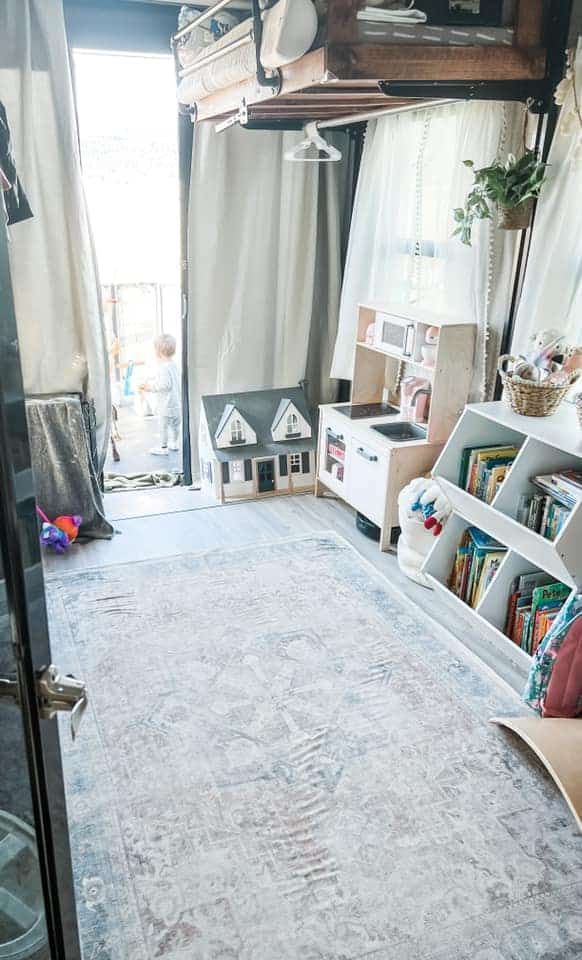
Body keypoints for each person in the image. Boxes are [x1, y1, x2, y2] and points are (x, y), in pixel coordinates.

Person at [139, 334, 181, 456]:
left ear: (158, 352)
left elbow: (165, 385)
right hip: (176, 403)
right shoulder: (174, 365)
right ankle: (174, 442)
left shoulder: (163, 368)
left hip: (166, 405)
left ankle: (163, 447)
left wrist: (150, 387)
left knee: (163, 426)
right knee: (175, 426)